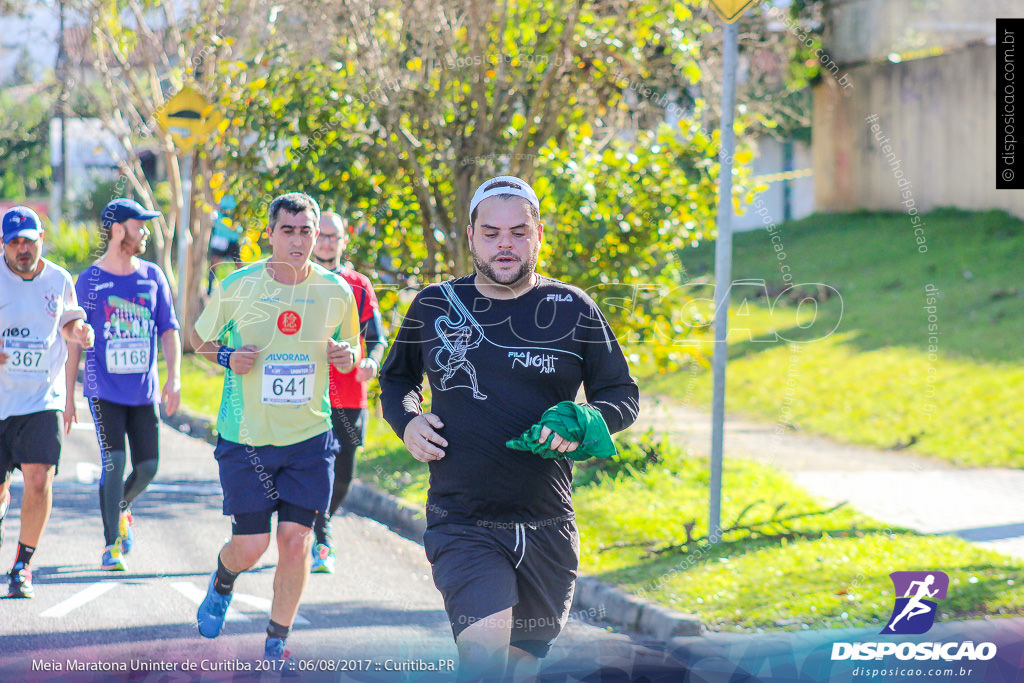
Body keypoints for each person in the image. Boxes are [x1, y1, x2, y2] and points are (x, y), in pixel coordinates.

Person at [379, 176, 639, 680]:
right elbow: (397, 379)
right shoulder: (434, 306)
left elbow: (621, 395)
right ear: (471, 236)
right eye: (492, 232)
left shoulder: (573, 309)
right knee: (483, 657)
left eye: (518, 232)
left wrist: (587, 421)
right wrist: (408, 421)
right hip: (464, 522)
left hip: (548, 526)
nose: (505, 244)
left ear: (538, 234)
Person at [190, 192, 361, 661]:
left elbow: (352, 349)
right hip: (246, 438)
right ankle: (224, 580)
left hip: (309, 437)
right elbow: (198, 337)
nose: (299, 240)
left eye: (306, 230)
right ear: (270, 234)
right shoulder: (241, 285)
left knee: (295, 540)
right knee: (250, 545)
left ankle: (276, 641)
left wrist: (348, 357)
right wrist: (226, 356)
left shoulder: (335, 290)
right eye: (288, 230)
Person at [65, 198, 181, 572]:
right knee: (114, 462)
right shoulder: (90, 281)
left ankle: (121, 509)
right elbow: (73, 340)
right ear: (118, 230)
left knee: (147, 467)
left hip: (143, 391)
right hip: (104, 390)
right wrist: (68, 397)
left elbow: (169, 330)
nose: (144, 231)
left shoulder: (152, 276)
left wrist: (174, 377)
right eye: (139, 224)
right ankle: (111, 543)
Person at [0, 207, 95, 598]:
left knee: (39, 479)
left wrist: (79, 332)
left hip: (42, 398)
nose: (23, 249)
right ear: (4, 245)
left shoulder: (58, 278)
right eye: (15, 242)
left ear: (42, 239)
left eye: (30, 241)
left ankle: (22, 565)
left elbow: (67, 320)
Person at [308, 210, 387, 573]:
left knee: (344, 474)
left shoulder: (358, 283)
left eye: (332, 236)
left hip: (349, 394)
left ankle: (316, 522)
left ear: (343, 241)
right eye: (320, 235)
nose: (325, 242)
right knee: (312, 466)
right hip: (305, 394)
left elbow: (376, 337)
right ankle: (322, 538)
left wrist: (372, 360)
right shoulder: (299, 280)